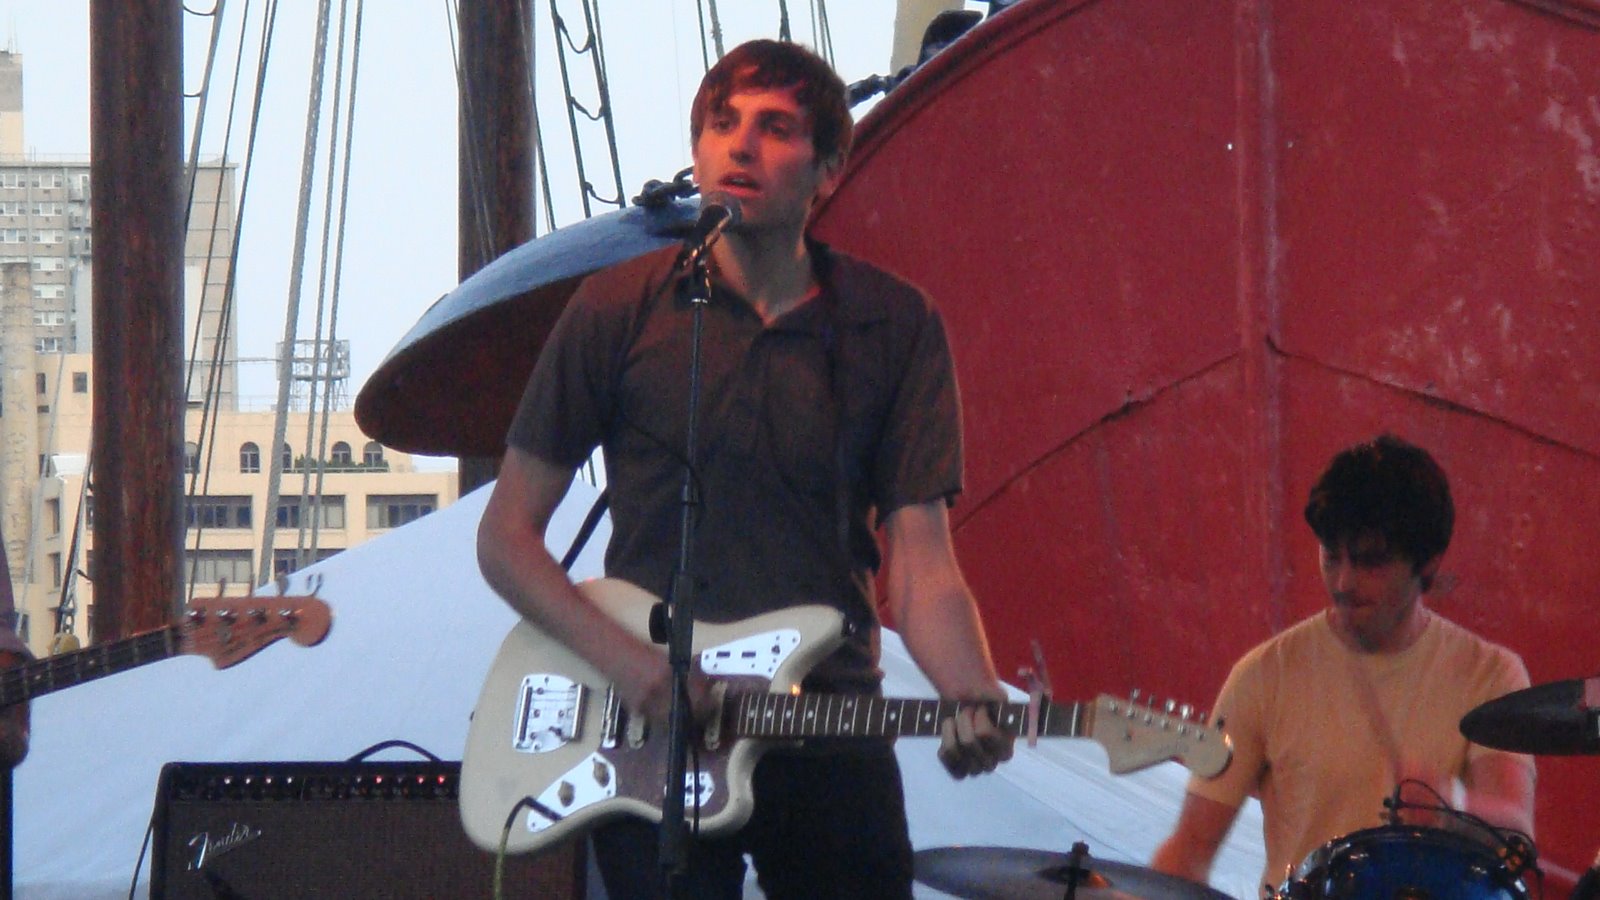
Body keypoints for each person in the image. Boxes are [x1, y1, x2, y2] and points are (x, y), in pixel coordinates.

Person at [476, 39, 1014, 899]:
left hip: (831, 722)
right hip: (651, 733)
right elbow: (506, 538)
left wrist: (968, 688)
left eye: (776, 128)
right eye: (722, 124)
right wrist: (636, 671)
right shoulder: (618, 309)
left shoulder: (893, 325)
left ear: (828, 172)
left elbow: (921, 563)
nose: (742, 146)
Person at [1151, 434, 1535, 894]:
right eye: (1332, 556)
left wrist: (1450, 806)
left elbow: (1517, 834)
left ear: (1427, 564)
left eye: (1371, 561)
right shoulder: (1264, 674)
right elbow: (1189, 852)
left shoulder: (1490, 675)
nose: (1344, 581)